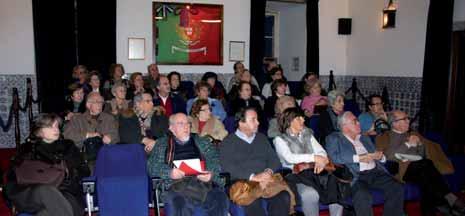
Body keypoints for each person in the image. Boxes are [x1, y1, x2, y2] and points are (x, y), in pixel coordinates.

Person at [376, 110, 463, 215]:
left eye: (408, 118)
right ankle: (448, 199)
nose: (408, 121)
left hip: (420, 167)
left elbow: (423, 154)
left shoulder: (413, 134)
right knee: (426, 165)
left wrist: (420, 144)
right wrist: (408, 144)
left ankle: (431, 210)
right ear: (394, 123)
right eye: (405, 119)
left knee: (426, 177)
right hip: (401, 171)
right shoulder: (384, 137)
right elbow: (388, 156)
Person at [5, 113, 90, 216]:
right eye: (50, 126)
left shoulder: (68, 147)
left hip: (64, 191)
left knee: (47, 212)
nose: (56, 130)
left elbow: (83, 170)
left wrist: (68, 176)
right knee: (45, 191)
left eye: (56, 126)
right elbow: (14, 175)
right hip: (31, 192)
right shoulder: (26, 148)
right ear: (38, 130)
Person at [147, 113, 229, 216]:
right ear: (171, 128)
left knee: (219, 198)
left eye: (188, 123)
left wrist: (210, 175)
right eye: (181, 124)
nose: (186, 126)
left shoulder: (203, 142)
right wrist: (169, 172)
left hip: (202, 184)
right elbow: (152, 166)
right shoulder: (162, 144)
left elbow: (214, 161)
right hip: (175, 185)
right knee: (179, 203)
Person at [326, 111, 404, 216]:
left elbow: (377, 156)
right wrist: (359, 158)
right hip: (356, 176)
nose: (359, 123)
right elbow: (333, 157)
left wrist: (381, 157)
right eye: (355, 121)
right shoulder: (334, 138)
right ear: (344, 126)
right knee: (363, 195)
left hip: (375, 172)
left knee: (397, 187)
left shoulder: (364, 138)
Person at [220, 107, 291, 216]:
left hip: (266, 180)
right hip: (243, 182)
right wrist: (253, 177)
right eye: (253, 119)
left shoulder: (261, 138)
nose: (258, 123)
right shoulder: (228, 142)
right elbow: (228, 167)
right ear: (241, 123)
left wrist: (268, 173)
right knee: (252, 201)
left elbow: (274, 159)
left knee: (283, 195)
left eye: (257, 119)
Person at [274, 107, 343, 216]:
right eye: (299, 118)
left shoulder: (307, 134)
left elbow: (322, 152)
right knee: (310, 194)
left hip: (315, 172)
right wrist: (314, 158)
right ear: (289, 121)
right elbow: (290, 158)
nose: (303, 120)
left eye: (303, 117)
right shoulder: (280, 139)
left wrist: (320, 161)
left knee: (334, 185)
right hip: (295, 176)